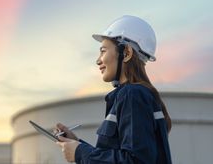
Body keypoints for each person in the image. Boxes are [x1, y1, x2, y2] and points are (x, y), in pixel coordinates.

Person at [56, 15, 172, 164]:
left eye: (103, 51)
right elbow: (124, 156)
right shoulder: (135, 95)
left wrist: (80, 153)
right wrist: (77, 144)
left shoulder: (132, 95)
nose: (98, 60)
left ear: (127, 53)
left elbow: (135, 161)